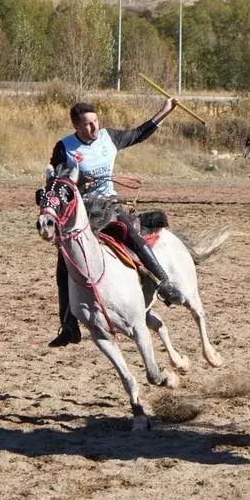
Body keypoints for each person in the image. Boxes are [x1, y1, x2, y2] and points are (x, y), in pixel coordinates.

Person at [45, 97, 182, 347]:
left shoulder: (109, 138)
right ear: (76, 126)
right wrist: (75, 184)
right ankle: (69, 326)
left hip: (109, 206)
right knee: (64, 265)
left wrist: (165, 111)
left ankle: (164, 283)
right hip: (81, 213)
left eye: (96, 121)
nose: (94, 128)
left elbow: (139, 134)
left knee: (133, 236)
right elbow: (56, 185)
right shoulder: (64, 147)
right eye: (87, 124)